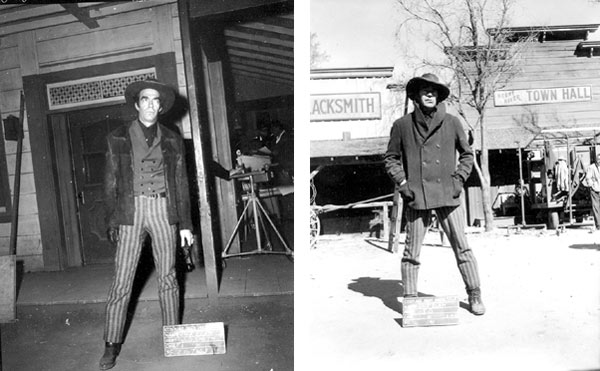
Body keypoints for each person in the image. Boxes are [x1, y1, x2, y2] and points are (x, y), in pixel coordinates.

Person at [99, 79, 194, 370]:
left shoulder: (173, 137)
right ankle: (111, 346)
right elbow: (110, 182)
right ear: (137, 104)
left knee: (168, 277)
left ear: (160, 106)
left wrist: (185, 224)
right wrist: (113, 218)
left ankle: (172, 338)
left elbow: (180, 182)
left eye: (156, 100)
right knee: (122, 282)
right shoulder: (117, 137)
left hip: (164, 208)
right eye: (146, 100)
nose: (151, 105)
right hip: (131, 209)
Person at [384, 73, 485, 315]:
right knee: (411, 253)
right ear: (417, 95)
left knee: (462, 247)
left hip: (447, 195)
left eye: (434, 90)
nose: (430, 94)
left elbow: (467, 154)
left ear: (439, 95)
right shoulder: (402, 125)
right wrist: (404, 183)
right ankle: (409, 300)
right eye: (425, 90)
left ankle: (474, 294)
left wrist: (458, 179)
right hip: (417, 197)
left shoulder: (452, 122)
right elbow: (391, 159)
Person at [582, 154, 600, 230]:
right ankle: (598, 224)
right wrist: (592, 185)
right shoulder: (591, 167)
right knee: (596, 207)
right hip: (595, 189)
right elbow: (588, 178)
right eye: (598, 159)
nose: (599, 161)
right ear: (596, 160)